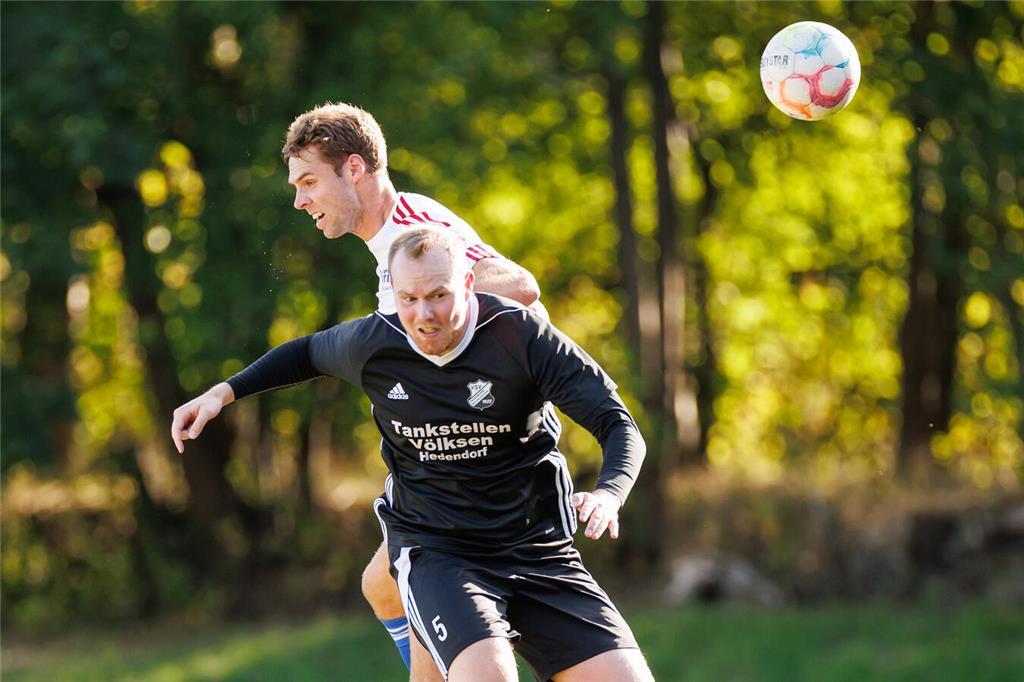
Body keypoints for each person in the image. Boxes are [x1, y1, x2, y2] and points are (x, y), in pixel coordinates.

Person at [171, 228, 654, 682]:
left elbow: (619, 427)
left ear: (468, 283)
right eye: (409, 299)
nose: (424, 315)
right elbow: (305, 353)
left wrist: (610, 494)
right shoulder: (375, 344)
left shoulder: (521, 338)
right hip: (440, 552)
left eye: (439, 295)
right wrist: (222, 394)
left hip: (539, 551)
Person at [281, 101, 551, 672]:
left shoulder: (415, 232)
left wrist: (451, 296)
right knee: (385, 585)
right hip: (448, 446)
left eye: (308, 182)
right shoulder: (398, 229)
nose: (300, 200)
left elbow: (522, 287)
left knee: (413, 584)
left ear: (354, 169)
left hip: (493, 451)